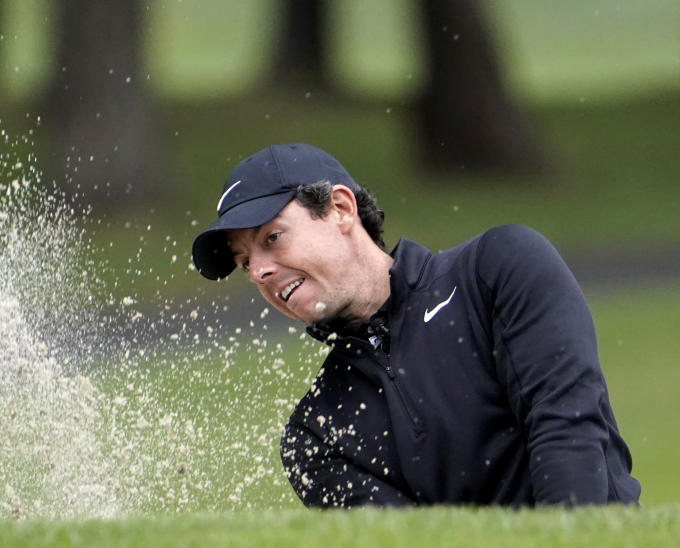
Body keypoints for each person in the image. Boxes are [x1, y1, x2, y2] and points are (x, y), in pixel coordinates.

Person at [191, 143, 641, 507]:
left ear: (341, 209)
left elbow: (569, 431)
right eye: (244, 261)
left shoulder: (497, 270)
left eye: (272, 238)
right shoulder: (316, 435)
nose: (258, 272)